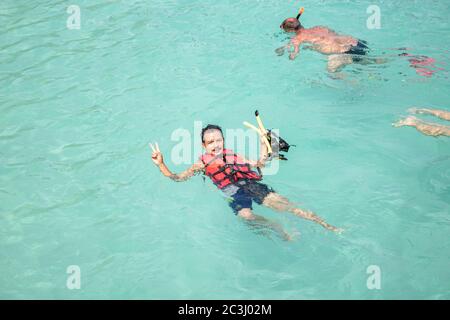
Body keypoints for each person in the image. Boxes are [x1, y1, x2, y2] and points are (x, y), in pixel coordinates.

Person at [149, 124, 342, 240]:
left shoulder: (233, 155)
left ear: (223, 140)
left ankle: (327, 225)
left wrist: (264, 146)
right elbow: (178, 178)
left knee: (289, 207)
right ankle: (275, 226)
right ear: (203, 145)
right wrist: (161, 164)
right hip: (232, 194)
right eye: (211, 142)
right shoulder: (201, 163)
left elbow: (259, 164)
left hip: (251, 186)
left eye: (219, 140)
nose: (216, 145)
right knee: (246, 217)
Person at [276, 8, 382, 72]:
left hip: (344, 53)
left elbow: (294, 54)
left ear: (290, 31)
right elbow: (329, 37)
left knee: (331, 72)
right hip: (355, 42)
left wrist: (285, 52)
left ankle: (356, 86)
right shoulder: (319, 27)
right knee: (375, 59)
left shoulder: (298, 38)